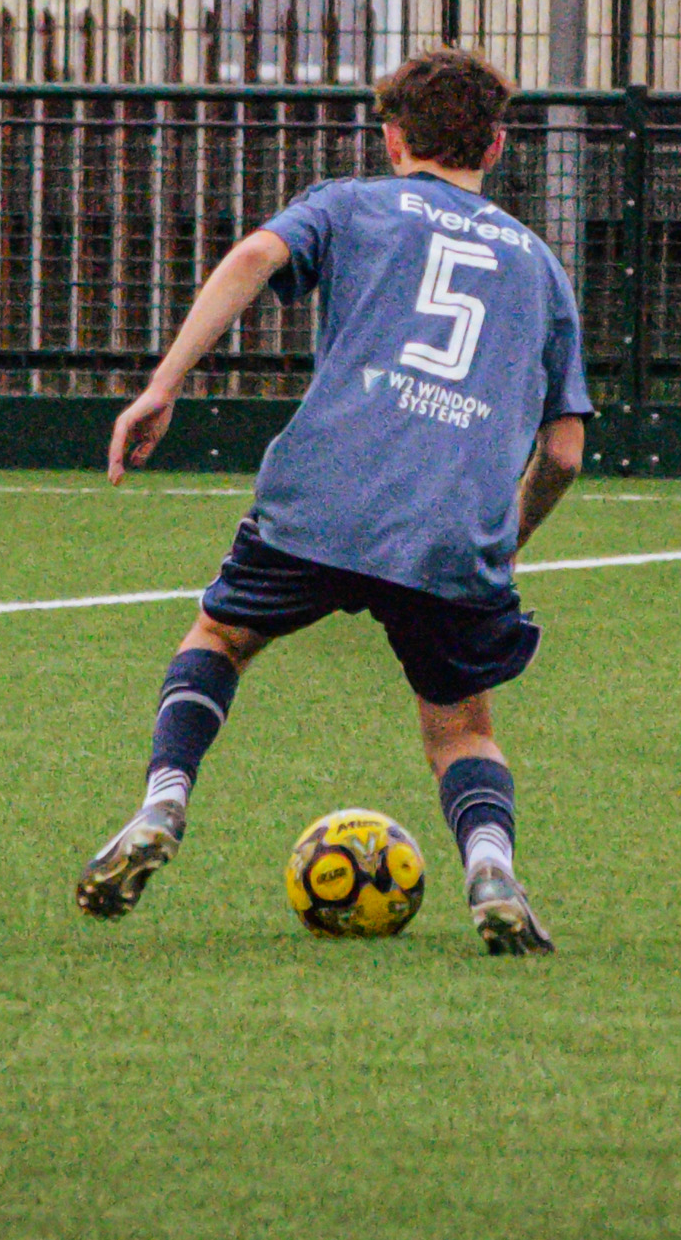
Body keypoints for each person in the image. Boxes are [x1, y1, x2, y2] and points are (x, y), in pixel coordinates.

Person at [75, 47, 590, 955]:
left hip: (322, 493)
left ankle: (164, 799)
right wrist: (507, 536)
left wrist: (163, 384)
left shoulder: (350, 202)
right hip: (450, 526)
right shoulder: (543, 269)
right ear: (499, 145)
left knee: (221, 640)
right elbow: (564, 449)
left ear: (393, 138)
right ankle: (488, 864)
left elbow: (253, 255)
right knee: (460, 725)